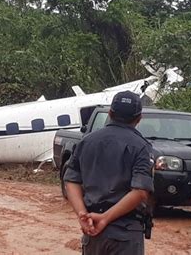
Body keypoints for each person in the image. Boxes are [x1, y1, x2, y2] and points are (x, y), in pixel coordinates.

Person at [64, 91, 154, 255]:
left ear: (110, 113)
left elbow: (71, 181)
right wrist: (105, 218)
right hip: (125, 234)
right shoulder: (141, 147)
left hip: (93, 231)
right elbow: (140, 192)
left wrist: (82, 214)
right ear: (139, 118)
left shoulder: (87, 141)